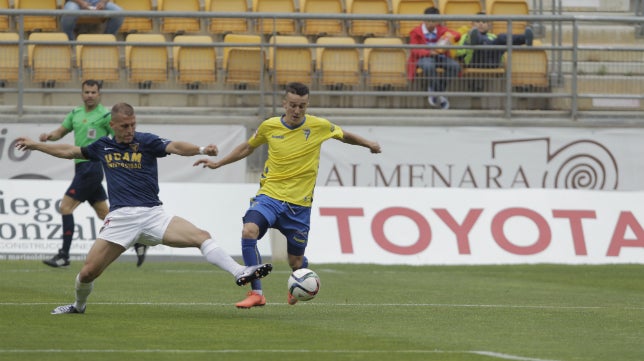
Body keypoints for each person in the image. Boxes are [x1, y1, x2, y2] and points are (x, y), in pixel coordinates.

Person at [15, 103, 273, 314]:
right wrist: (37, 145)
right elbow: (70, 151)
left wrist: (201, 149)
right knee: (87, 272)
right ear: (113, 125)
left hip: (153, 215)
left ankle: (240, 271)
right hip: (120, 220)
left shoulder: (147, 142)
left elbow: (174, 146)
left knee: (201, 236)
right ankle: (78, 306)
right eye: (125, 126)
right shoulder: (103, 146)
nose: (130, 130)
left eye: (133, 125)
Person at [194, 82, 381, 308]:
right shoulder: (269, 126)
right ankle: (257, 293)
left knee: (296, 261)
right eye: (292, 105)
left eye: (302, 106)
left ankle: (299, 281)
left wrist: (368, 143)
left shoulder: (319, 126)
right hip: (269, 197)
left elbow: (344, 135)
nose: (297, 111)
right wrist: (219, 163)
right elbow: (247, 147)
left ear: (307, 105)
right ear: (284, 104)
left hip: (299, 207)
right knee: (249, 230)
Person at [40, 80, 148, 269]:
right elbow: (61, 131)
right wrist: (49, 136)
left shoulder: (105, 116)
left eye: (93, 92)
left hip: (92, 166)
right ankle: (139, 240)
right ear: (82, 93)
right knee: (104, 213)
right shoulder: (75, 113)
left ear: (99, 94)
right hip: (81, 168)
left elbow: (119, 136)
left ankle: (64, 255)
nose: (90, 95)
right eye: (87, 92)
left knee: (65, 207)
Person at [407, 6, 462, 110]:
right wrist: (429, 52)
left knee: (455, 66)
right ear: (424, 19)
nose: (431, 24)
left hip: (441, 57)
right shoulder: (416, 31)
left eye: (434, 21)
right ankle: (440, 94)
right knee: (428, 65)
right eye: (429, 21)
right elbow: (414, 49)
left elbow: (457, 35)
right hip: (424, 57)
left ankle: (436, 91)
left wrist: (448, 37)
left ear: (438, 21)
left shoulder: (441, 29)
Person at [457, 12, 534, 69]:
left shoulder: (493, 36)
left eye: (484, 22)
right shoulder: (465, 36)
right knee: (478, 38)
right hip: (475, 61)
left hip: (492, 61)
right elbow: (459, 52)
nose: (481, 24)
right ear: (472, 24)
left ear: (488, 25)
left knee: (501, 37)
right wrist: (468, 47)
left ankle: (525, 38)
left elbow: (500, 51)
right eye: (477, 21)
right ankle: (476, 40)